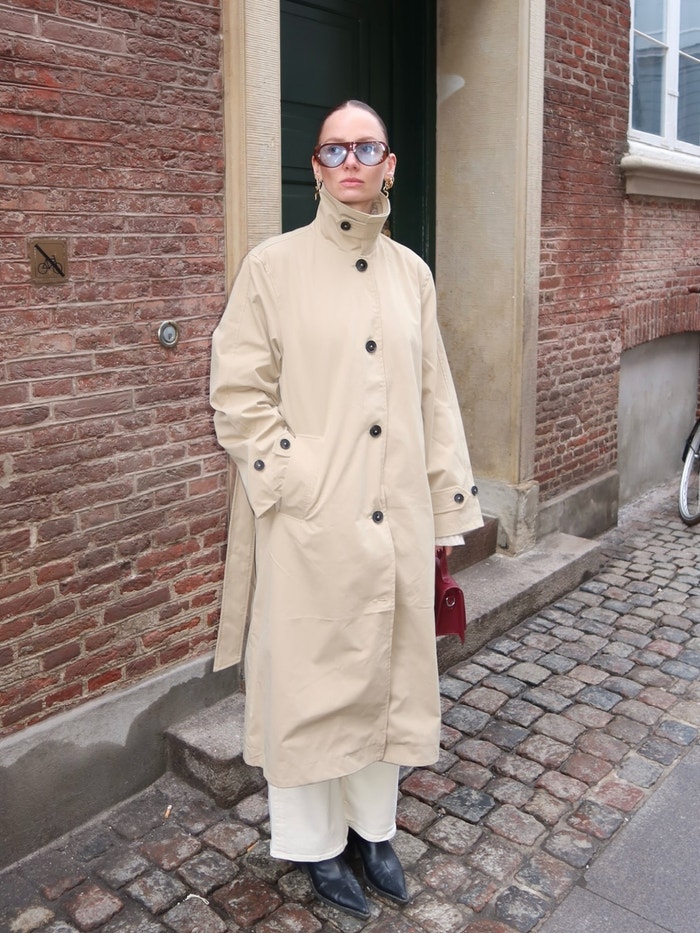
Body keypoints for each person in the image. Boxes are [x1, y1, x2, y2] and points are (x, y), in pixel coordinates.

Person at [210, 100, 482, 919]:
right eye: (335, 149)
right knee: (310, 686)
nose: (351, 162)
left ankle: (373, 830)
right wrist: (297, 481)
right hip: (307, 527)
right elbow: (239, 394)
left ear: (389, 165)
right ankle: (314, 844)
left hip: (394, 521)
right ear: (317, 168)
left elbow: (436, 396)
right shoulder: (273, 267)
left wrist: (442, 512)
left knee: (387, 679)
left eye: (366, 148)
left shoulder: (413, 275)